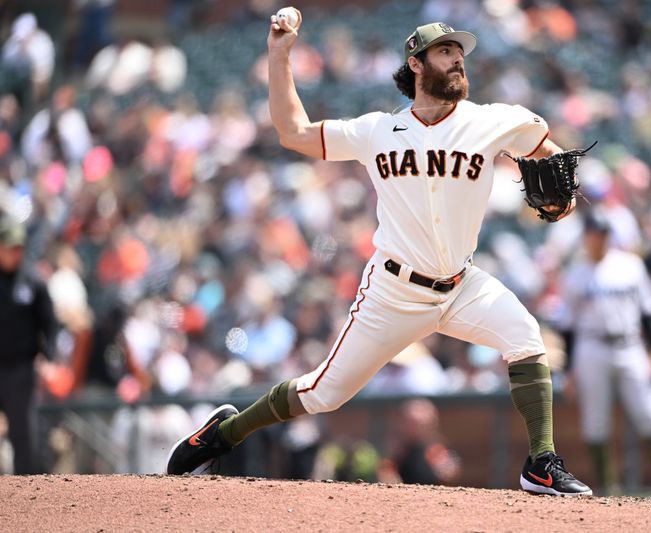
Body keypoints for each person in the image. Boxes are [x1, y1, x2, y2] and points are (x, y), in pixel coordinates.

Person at [167, 14, 591, 496]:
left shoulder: (494, 121)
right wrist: (280, 53)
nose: (457, 60)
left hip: (462, 283)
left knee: (526, 335)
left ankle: (540, 463)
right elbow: (293, 132)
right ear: (416, 63)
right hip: (394, 290)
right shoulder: (377, 131)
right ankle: (222, 433)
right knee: (322, 394)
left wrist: (564, 199)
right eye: (445, 52)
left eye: (460, 53)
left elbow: (556, 163)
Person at [559, 210, 651, 494]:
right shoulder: (575, 274)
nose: (598, 240)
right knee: (595, 420)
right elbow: (567, 327)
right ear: (585, 238)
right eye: (593, 234)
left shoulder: (630, 266)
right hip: (591, 346)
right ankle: (608, 489)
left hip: (630, 345)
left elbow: (649, 313)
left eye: (603, 234)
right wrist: (570, 369)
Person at [0, 216, 57, 474]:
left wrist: (48, 357)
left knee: (22, 434)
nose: (16, 253)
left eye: (19, 248)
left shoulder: (32, 281)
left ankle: (26, 497)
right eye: (10, 247)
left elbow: (49, 323)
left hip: (20, 369)